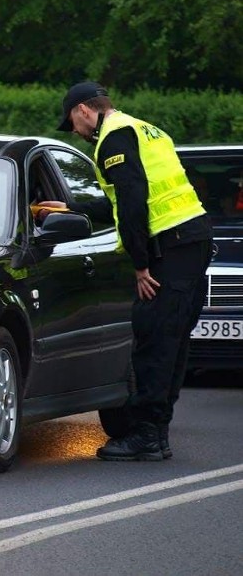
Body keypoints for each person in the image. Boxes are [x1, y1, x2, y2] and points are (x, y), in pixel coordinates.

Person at [37, 81, 212, 462]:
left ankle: (147, 436)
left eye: (73, 123)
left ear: (84, 109)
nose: (77, 133)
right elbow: (124, 202)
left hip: (170, 246)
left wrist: (141, 263)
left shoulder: (113, 139)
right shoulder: (145, 128)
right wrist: (73, 208)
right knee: (172, 340)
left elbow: (134, 203)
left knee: (154, 340)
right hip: (191, 239)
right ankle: (156, 434)